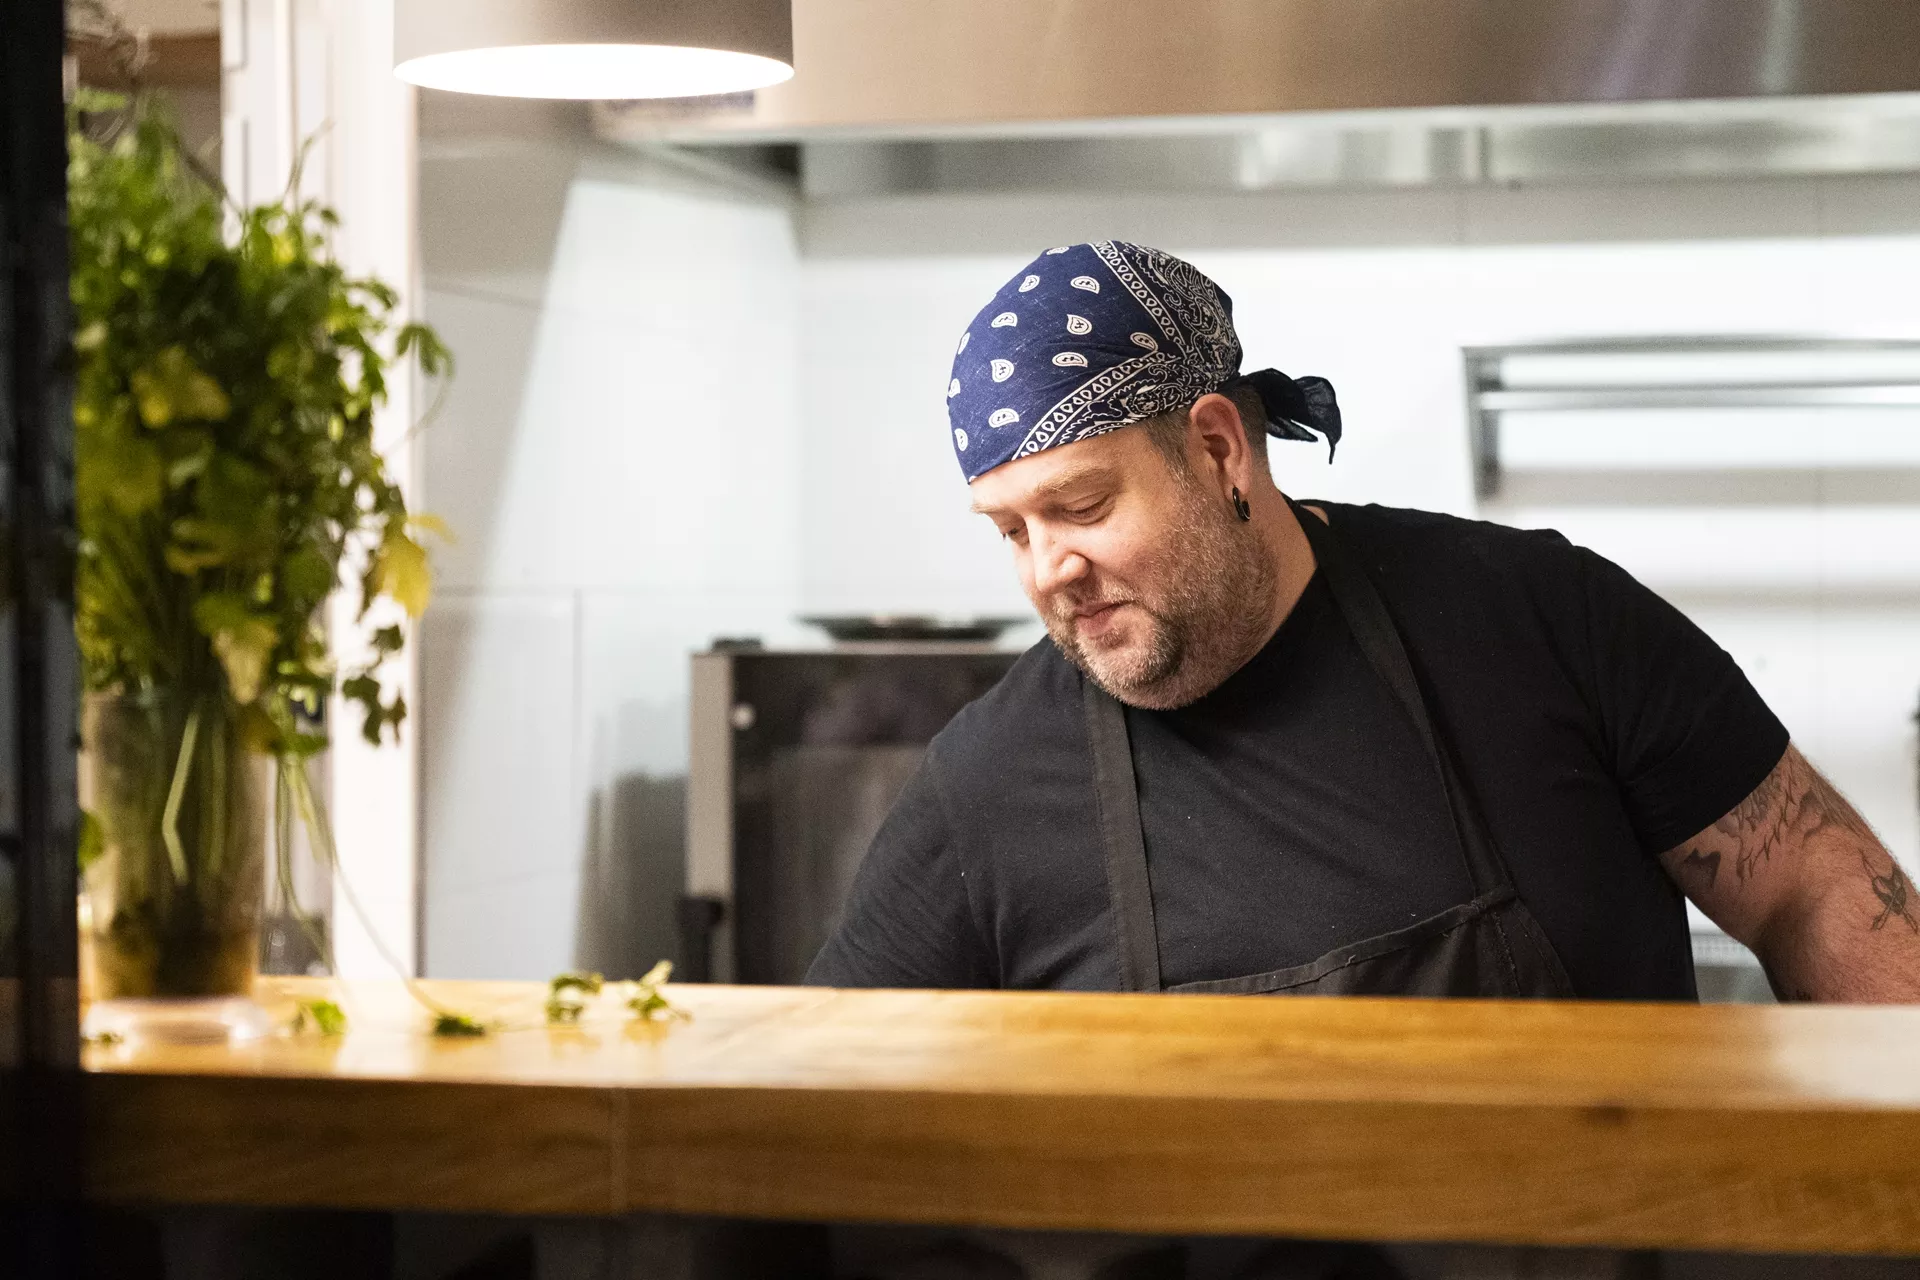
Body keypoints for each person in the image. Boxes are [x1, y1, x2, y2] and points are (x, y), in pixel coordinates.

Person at [807, 240, 1920, 1001]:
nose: (1050, 569)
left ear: (1217, 447)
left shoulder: (1535, 616)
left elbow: (1811, 877)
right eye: (1009, 531)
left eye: (1081, 506)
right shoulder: (989, 781)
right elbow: (829, 1080)